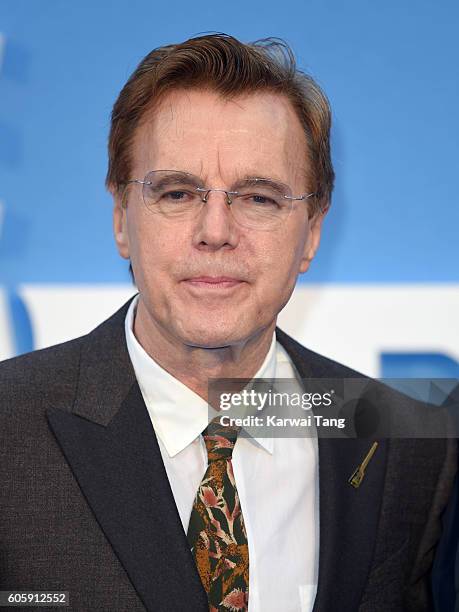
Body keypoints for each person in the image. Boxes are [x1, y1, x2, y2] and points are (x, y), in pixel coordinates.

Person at [0, 33, 456, 612]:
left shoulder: (404, 445)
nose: (215, 231)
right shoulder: (6, 426)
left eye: (259, 198)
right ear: (121, 217)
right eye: (176, 192)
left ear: (312, 232)